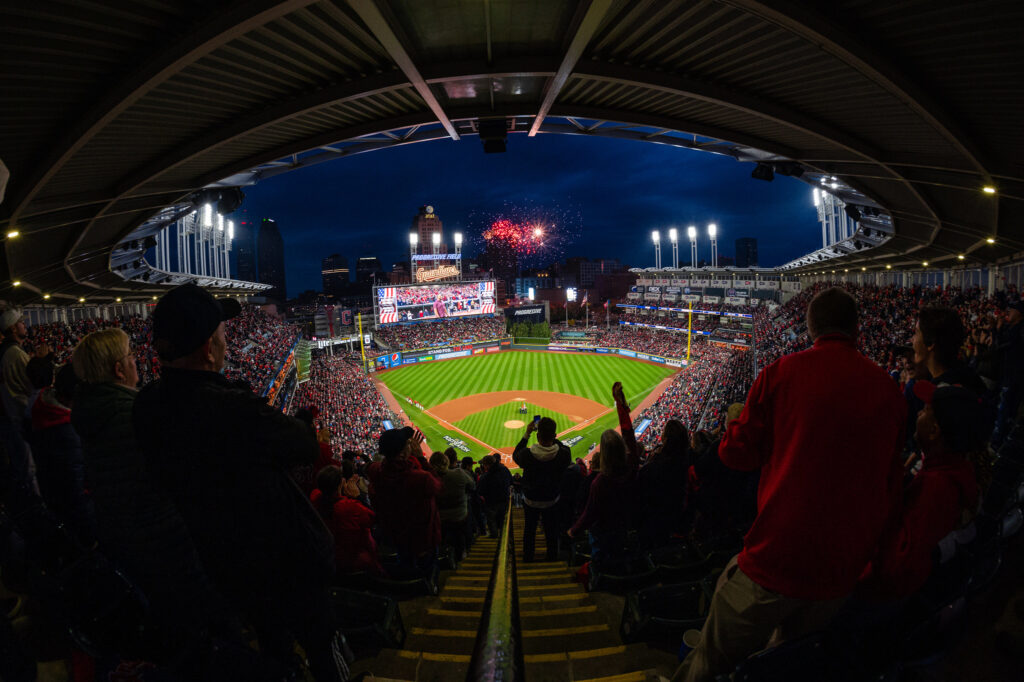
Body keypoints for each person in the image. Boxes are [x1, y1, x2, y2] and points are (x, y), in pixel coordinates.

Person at [673, 287, 906, 682]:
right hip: (841, 568)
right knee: (789, 667)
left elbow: (736, 456)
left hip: (778, 556)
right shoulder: (889, 388)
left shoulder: (782, 372)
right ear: (856, 328)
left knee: (712, 660)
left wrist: (733, 424)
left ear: (810, 326)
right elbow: (891, 483)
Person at [132, 284, 345, 682]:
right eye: (221, 332)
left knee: (273, 647)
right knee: (320, 643)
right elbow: (303, 445)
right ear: (207, 348)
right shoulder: (227, 406)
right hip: (276, 556)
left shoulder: (147, 405)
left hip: (219, 561)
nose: (227, 339)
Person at [73, 326, 244, 671]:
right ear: (119, 371)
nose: (138, 365)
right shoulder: (133, 413)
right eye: (131, 359)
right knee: (214, 631)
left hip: (130, 544)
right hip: (166, 545)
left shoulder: (90, 415)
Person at [569, 382, 640, 561]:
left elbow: (589, 514)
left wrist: (573, 531)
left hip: (604, 532)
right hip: (625, 524)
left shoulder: (601, 482)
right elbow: (629, 435)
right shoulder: (631, 467)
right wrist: (621, 405)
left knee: (602, 557)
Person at [29, 362, 95, 547]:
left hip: (56, 505)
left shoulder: (43, 408)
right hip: (78, 523)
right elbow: (77, 497)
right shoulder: (67, 432)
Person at [365, 426, 441, 572]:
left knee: (405, 566)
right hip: (422, 539)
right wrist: (420, 457)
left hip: (396, 535)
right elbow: (438, 486)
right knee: (427, 572)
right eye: (407, 444)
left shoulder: (376, 471)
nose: (410, 445)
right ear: (402, 452)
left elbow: (376, 466)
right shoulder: (421, 478)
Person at [513, 416, 571, 562]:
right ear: (555, 435)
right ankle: (552, 557)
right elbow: (562, 446)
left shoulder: (526, 455)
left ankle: (528, 557)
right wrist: (552, 437)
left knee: (529, 530)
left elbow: (516, 454)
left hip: (531, 501)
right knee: (551, 531)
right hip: (552, 500)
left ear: (537, 435)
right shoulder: (564, 454)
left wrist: (527, 434)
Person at [311, 465, 381, 576]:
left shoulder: (314, 498)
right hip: (352, 562)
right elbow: (372, 518)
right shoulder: (348, 507)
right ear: (340, 484)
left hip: (326, 560)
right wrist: (357, 497)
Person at [430, 451, 475, 560]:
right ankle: (460, 556)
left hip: (438, 517)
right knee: (459, 536)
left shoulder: (428, 477)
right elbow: (472, 486)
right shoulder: (458, 473)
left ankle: (443, 557)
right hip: (459, 515)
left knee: (443, 538)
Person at [992, 300, 1024, 445]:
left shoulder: (1020, 331)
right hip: (1007, 375)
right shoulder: (1012, 329)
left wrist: (997, 331)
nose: (1009, 311)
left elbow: (999, 347)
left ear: (1020, 314)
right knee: (1003, 411)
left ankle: (998, 443)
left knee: (1005, 412)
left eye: (1013, 309)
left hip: (1014, 377)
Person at [477, 454, 512, 537]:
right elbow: (511, 481)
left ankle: (494, 536)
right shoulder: (505, 469)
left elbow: (480, 491)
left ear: (488, 465)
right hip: (504, 500)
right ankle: (502, 535)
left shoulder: (485, 476)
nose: (483, 466)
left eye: (484, 465)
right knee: (502, 519)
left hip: (491, 503)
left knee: (492, 520)